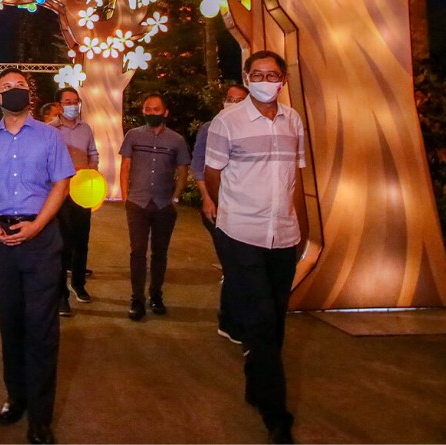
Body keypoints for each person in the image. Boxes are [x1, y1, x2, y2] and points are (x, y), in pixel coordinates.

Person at [205, 51, 308, 445]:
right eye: (259, 74)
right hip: (241, 234)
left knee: (276, 320)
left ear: (283, 81)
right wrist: (231, 209)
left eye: (274, 75)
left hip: (283, 235)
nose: (266, 80)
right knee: (262, 320)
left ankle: (256, 383)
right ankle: (275, 415)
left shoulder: (293, 120)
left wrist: (302, 230)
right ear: (247, 78)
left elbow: (294, 178)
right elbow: (213, 174)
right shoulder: (227, 122)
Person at [0, 69, 74, 445]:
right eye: (6, 88)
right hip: (2, 238)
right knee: (10, 322)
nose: (14, 91)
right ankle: (16, 397)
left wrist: (40, 224)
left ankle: (41, 419)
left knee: (41, 328)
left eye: (20, 87)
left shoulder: (50, 137)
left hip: (41, 239)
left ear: (30, 96)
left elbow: (62, 182)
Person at [119, 93, 190, 321]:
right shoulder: (133, 136)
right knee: (137, 252)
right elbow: (125, 166)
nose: (151, 113)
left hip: (163, 205)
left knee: (160, 253)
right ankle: (136, 299)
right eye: (148, 109)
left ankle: (156, 296)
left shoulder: (177, 141)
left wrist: (176, 198)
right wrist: (125, 196)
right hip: (137, 203)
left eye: (156, 109)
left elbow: (182, 171)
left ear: (165, 112)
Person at [192, 84, 250, 343]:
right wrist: (207, 198)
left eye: (239, 100)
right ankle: (230, 321)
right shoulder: (210, 127)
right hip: (218, 206)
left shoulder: (253, 128)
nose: (233, 103)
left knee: (239, 266)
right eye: (229, 99)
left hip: (245, 208)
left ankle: (235, 319)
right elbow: (199, 165)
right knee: (233, 264)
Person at [51, 86, 99, 315]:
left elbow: (93, 154)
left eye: (75, 101)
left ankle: (79, 285)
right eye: (67, 102)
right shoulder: (49, 130)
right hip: (60, 195)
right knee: (62, 246)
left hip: (83, 193)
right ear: (59, 106)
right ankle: (61, 296)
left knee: (82, 242)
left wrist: (91, 171)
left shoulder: (86, 129)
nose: (72, 105)